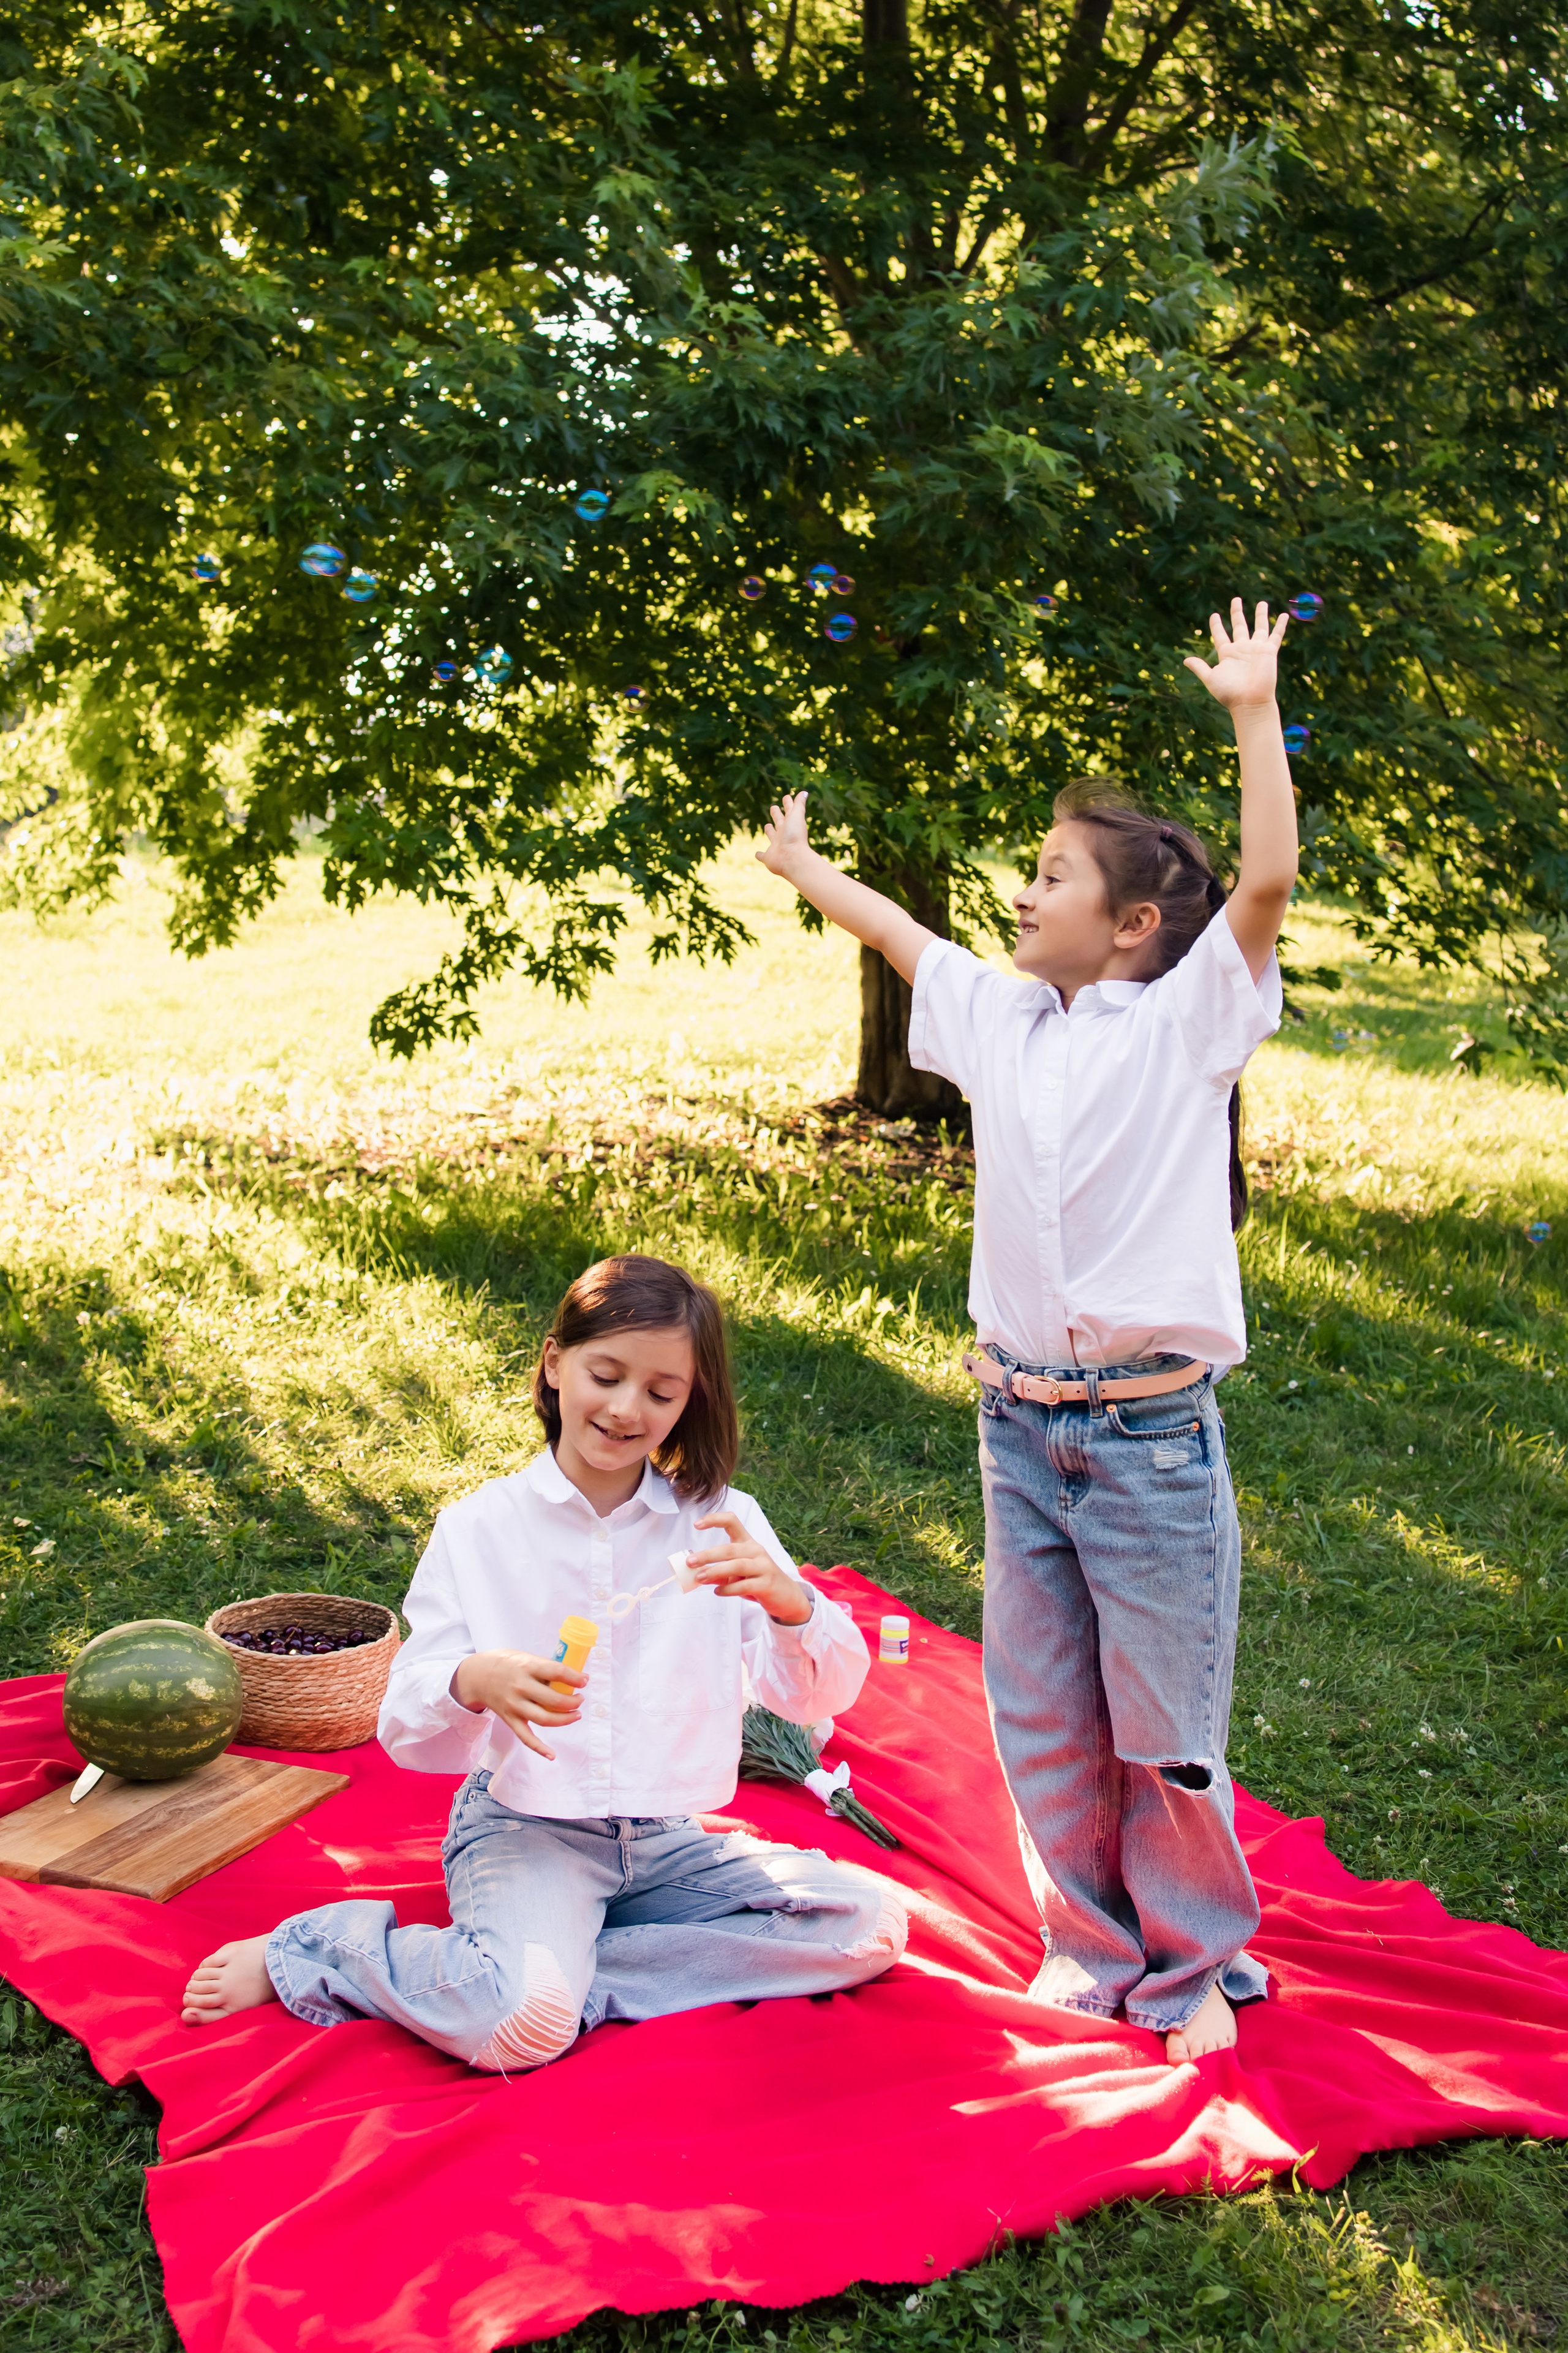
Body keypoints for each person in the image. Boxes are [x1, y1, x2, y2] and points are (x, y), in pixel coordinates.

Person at [756, 598, 1298, 2063]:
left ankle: (1188, 1966)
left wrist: (1250, 709)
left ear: (1130, 926)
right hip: (1015, 1429)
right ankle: (1089, 1945)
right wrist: (802, 867)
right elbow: (900, 933)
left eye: (1051, 874)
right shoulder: (1000, 1019)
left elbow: (1263, 879)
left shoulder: (1187, 1022)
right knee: (1045, 1714)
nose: (1020, 889)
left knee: (1161, 1730)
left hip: (1145, 1440)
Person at [181, 1253, 906, 2068]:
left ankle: (551, 1981)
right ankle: (327, 1950)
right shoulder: (480, 1528)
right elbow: (405, 1717)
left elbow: (815, 1697)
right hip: (527, 1826)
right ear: (556, 1364)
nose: (627, 1408)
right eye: (607, 1375)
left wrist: (790, 1604)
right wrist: (476, 1679)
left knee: (866, 1924)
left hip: (664, 1837)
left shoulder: (719, 1524)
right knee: (515, 2028)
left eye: (661, 1392)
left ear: (689, 1402)